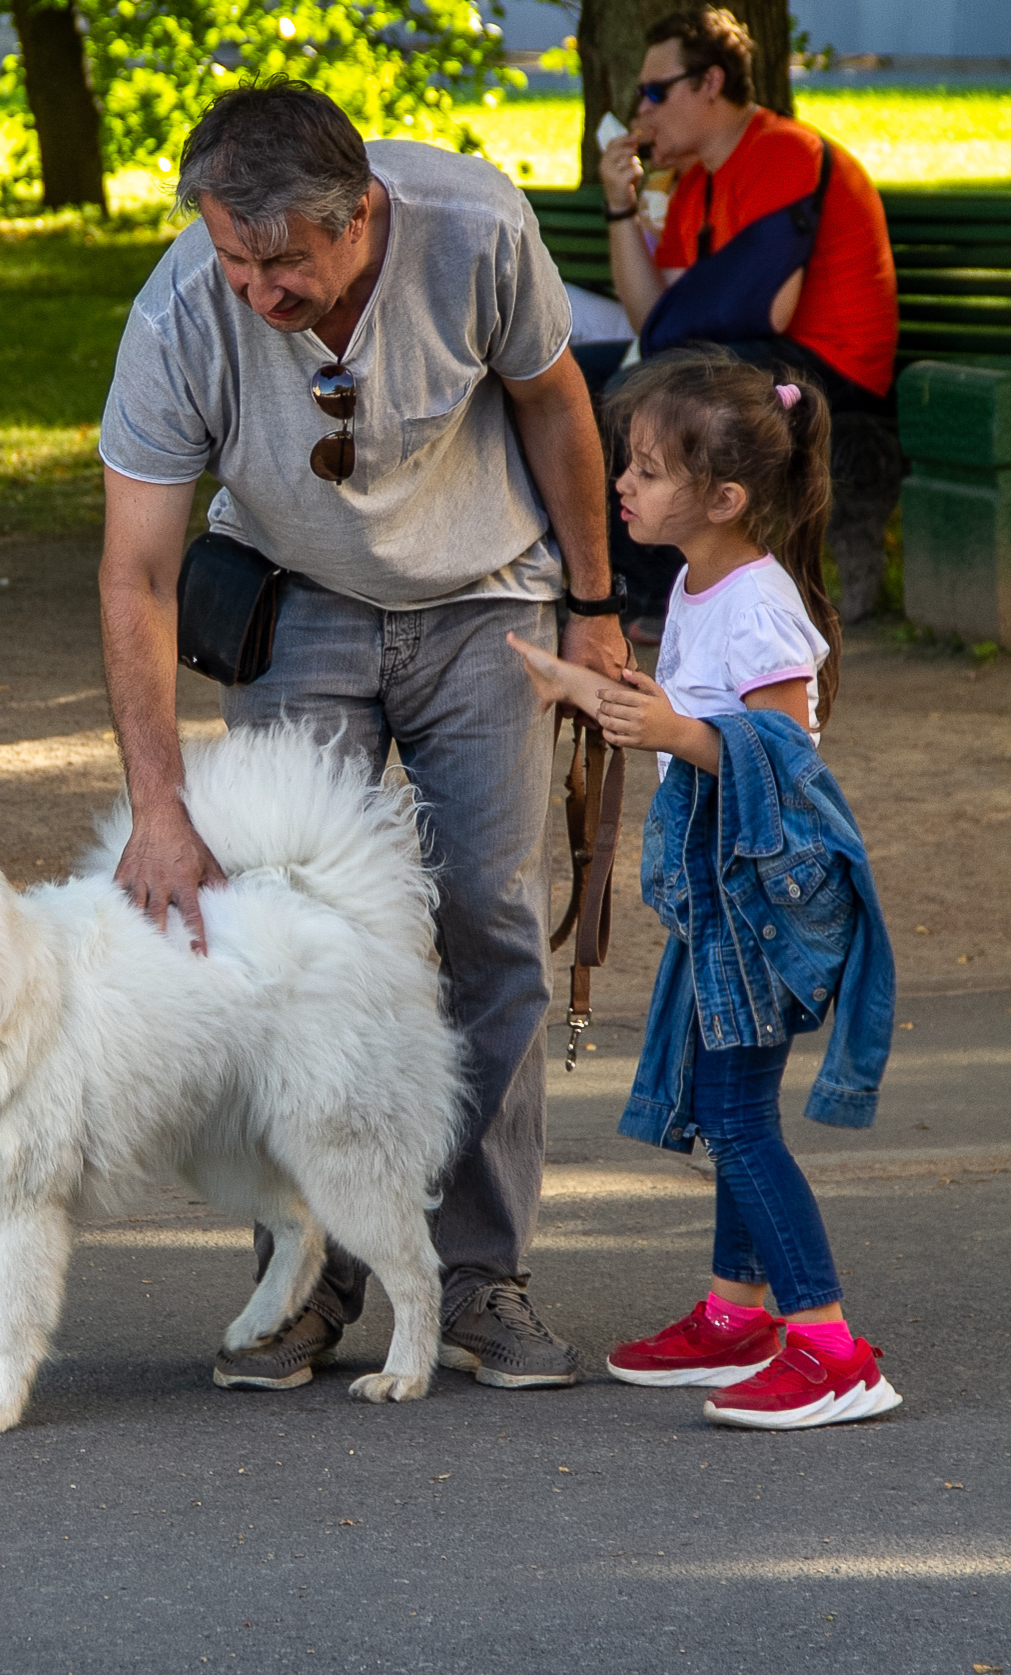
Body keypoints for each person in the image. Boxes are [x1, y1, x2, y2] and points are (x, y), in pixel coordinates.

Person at [97, 82, 628, 1394]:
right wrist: (161, 810)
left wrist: (597, 607)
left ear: (361, 215)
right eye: (233, 254)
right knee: (283, 928)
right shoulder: (182, 310)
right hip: (295, 594)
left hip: (482, 594)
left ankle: (476, 1272)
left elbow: (555, 404)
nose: (256, 288)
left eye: (284, 260)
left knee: (483, 914)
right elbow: (134, 574)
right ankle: (305, 1274)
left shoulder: (469, 227)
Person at [510, 350, 901, 1429]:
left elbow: (783, 749)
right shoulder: (694, 581)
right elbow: (685, 710)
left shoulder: (758, 604)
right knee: (733, 1109)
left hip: (764, 900)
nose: (621, 485)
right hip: (721, 896)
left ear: (724, 497)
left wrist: (675, 728)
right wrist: (587, 687)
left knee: (734, 1119)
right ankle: (737, 1313)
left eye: (643, 468)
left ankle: (828, 1346)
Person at [580, 6, 899, 634]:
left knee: (647, 391)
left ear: (710, 82)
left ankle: (649, 595)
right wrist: (621, 208)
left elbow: (768, 306)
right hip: (752, 353)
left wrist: (674, 338)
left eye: (654, 92)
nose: (641, 110)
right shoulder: (695, 183)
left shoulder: (783, 152)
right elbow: (654, 321)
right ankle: (599, 581)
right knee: (573, 382)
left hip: (831, 368)